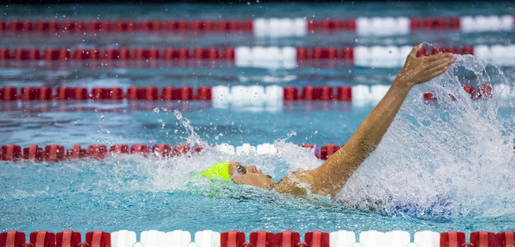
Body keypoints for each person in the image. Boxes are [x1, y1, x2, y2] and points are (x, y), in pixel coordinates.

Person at [195, 45, 455, 198]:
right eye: (241, 170)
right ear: (237, 190)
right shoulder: (291, 191)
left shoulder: (288, 192)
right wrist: (402, 83)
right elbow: (359, 150)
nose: (252, 166)